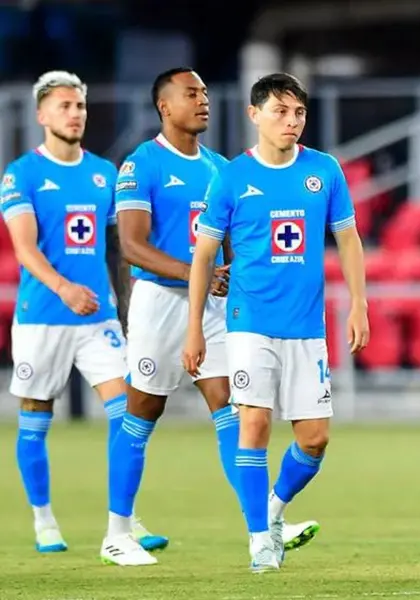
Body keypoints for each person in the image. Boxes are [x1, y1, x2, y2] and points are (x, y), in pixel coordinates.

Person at [107, 67, 318, 567]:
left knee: (233, 407)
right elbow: (132, 246)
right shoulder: (142, 165)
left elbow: (232, 246)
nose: (202, 101)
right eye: (191, 94)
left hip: (213, 308)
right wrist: (194, 273)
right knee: (142, 411)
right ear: (165, 106)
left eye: (204, 92)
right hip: (160, 302)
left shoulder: (220, 168)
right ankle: (117, 531)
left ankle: (262, 524)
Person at [183, 73, 369, 572]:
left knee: (314, 439)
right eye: (281, 112)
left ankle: (270, 512)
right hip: (249, 321)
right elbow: (203, 257)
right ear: (254, 115)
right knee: (255, 420)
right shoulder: (231, 178)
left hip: (307, 327)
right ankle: (258, 540)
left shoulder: (324, 171)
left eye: (299, 113)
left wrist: (359, 304)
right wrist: (195, 326)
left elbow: (348, 240)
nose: (291, 121)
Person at [1, 70, 159, 555]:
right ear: (42, 115)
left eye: (81, 106)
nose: (76, 114)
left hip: (98, 320)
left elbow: (118, 248)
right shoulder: (21, 175)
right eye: (65, 106)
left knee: (127, 413)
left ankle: (125, 518)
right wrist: (65, 287)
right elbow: (25, 250)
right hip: (43, 315)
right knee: (35, 415)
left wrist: (128, 307)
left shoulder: (104, 175)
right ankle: (44, 519)